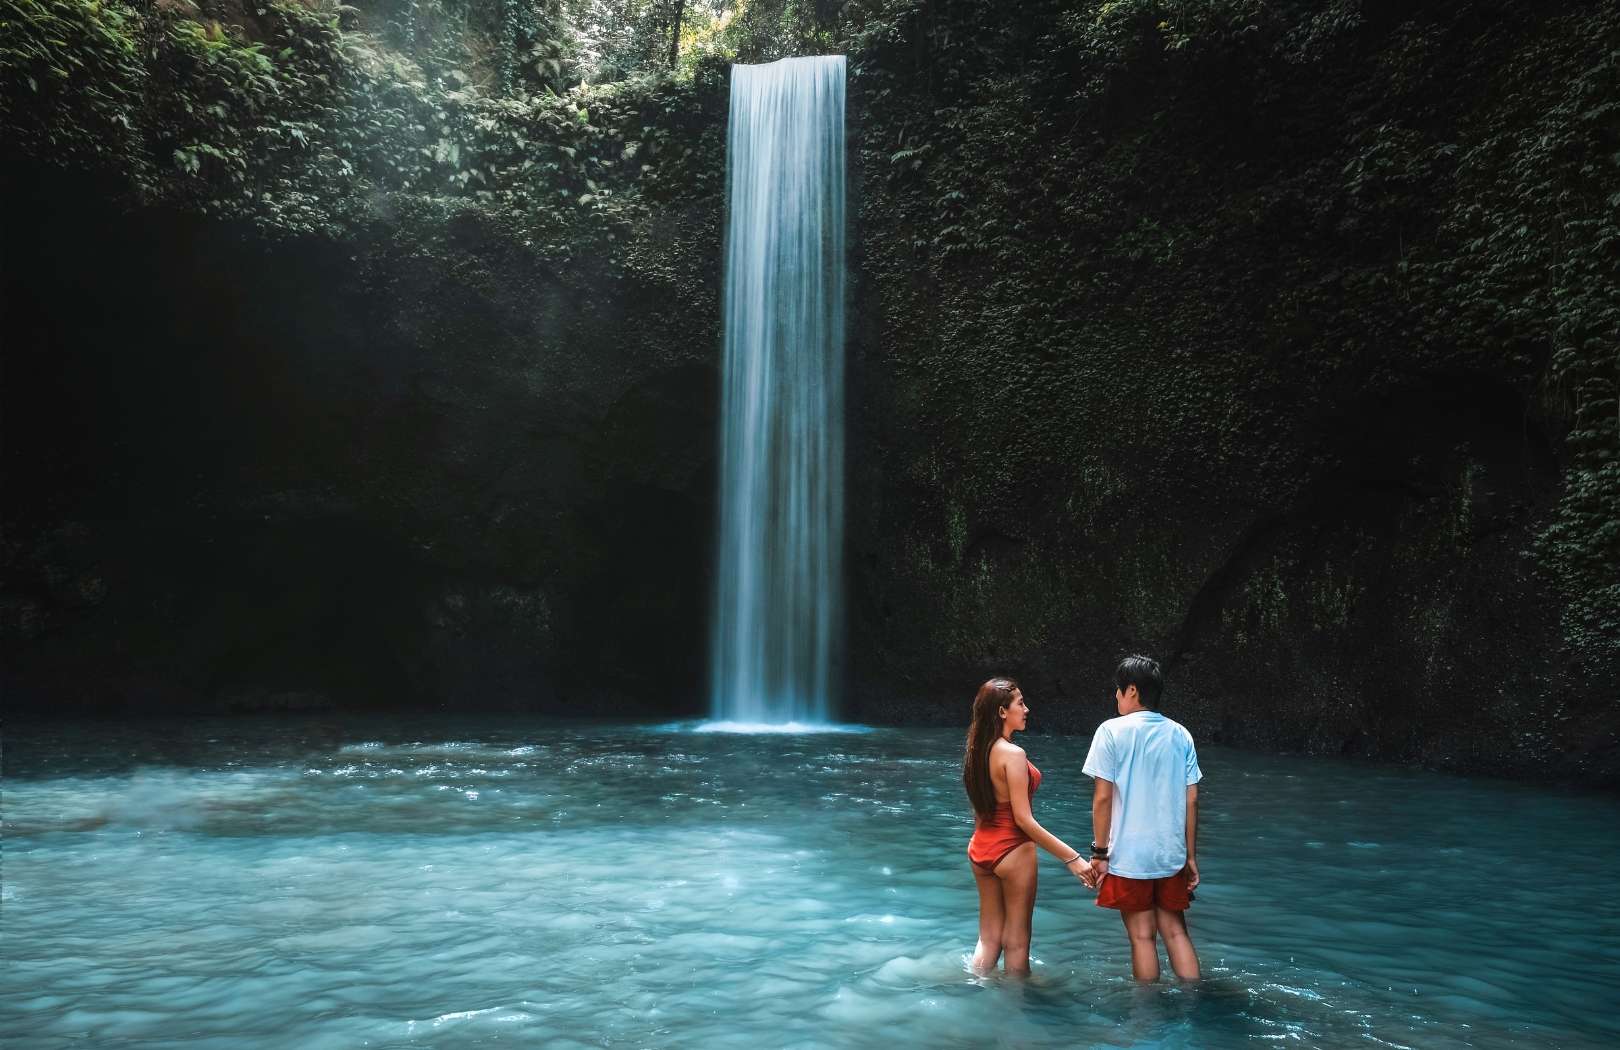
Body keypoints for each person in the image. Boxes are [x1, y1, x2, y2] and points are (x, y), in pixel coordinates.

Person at [1082, 655, 1203, 981]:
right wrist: (1190, 857)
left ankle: (1146, 1018)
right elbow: (1191, 800)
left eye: (1118, 691)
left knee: (1142, 938)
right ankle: (1194, 1005)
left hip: (1128, 856)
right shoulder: (1181, 734)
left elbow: (1103, 797)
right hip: (1170, 854)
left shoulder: (1110, 731)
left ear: (1132, 690)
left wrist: (1099, 854)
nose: (1116, 697)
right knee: (1177, 933)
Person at [963, 677, 1092, 975]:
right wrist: (1072, 859)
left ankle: (976, 996)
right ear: (1002, 712)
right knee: (1018, 943)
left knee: (988, 937)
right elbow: (1023, 820)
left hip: (980, 848)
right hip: (1012, 849)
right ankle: (1013, 1014)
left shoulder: (977, 751)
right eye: (1020, 703)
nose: (1027, 709)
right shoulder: (1013, 754)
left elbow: (981, 808)